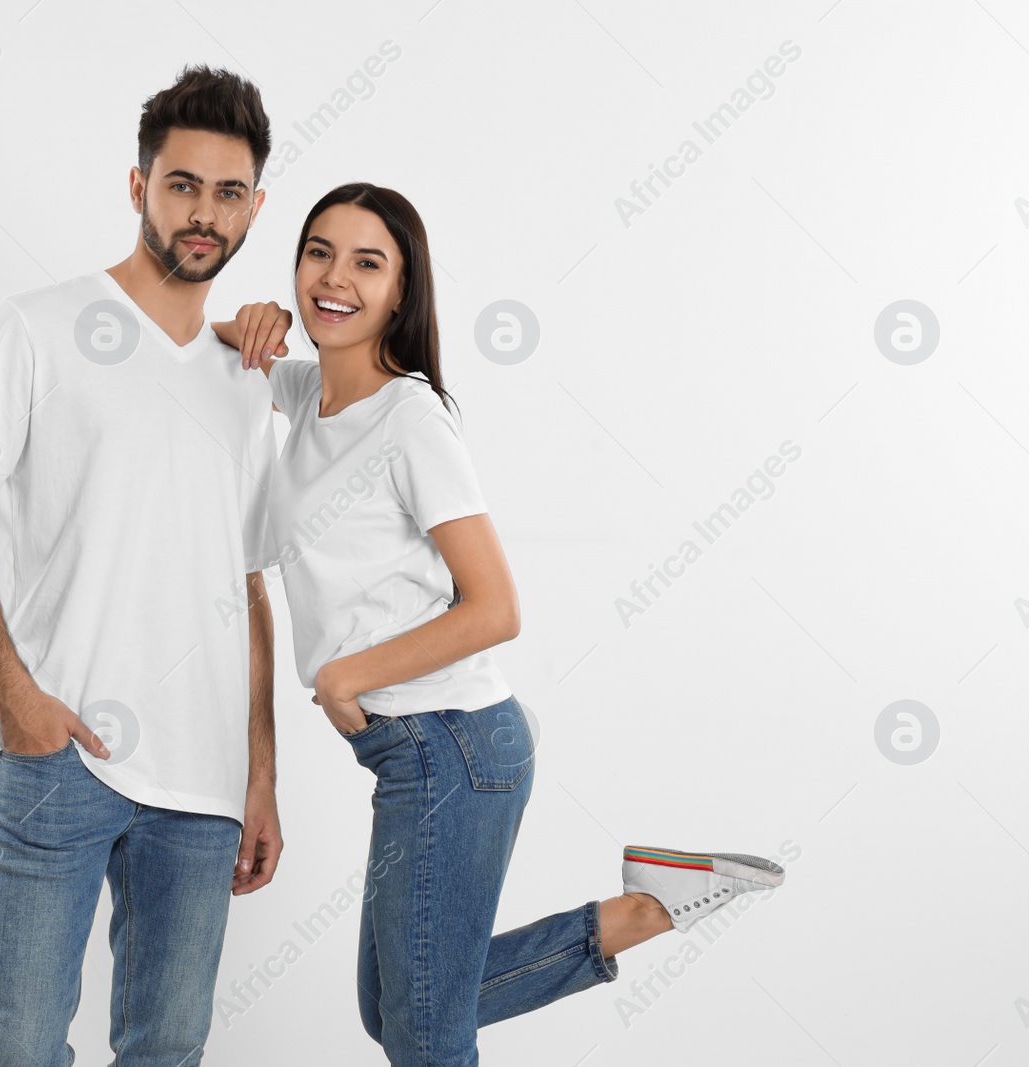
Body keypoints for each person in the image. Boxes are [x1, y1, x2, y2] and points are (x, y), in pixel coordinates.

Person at [212, 182, 786, 1067]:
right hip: (413, 750)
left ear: (403, 291)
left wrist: (345, 673)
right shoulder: (309, 390)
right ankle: (646, 908)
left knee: (426, 1035)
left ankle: (653, 906)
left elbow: (496, 608)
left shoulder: (412, 419)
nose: (336, 278)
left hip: (452, 744)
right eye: (318, 252)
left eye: (370, 262)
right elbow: (201, 345)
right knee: (395, 1010)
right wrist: (245, 318)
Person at [0, 66, 282, 1066]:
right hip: (59, 756)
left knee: (166, 1048)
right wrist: (16, 700)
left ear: (254, 204)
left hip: (204, 786)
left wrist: (260, 773)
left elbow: (248, 583)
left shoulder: (246, 378)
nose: (203, 212)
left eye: (228, 191)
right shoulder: (34, 327)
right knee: (18, 1046)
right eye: (181, 185)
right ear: (137, 186)